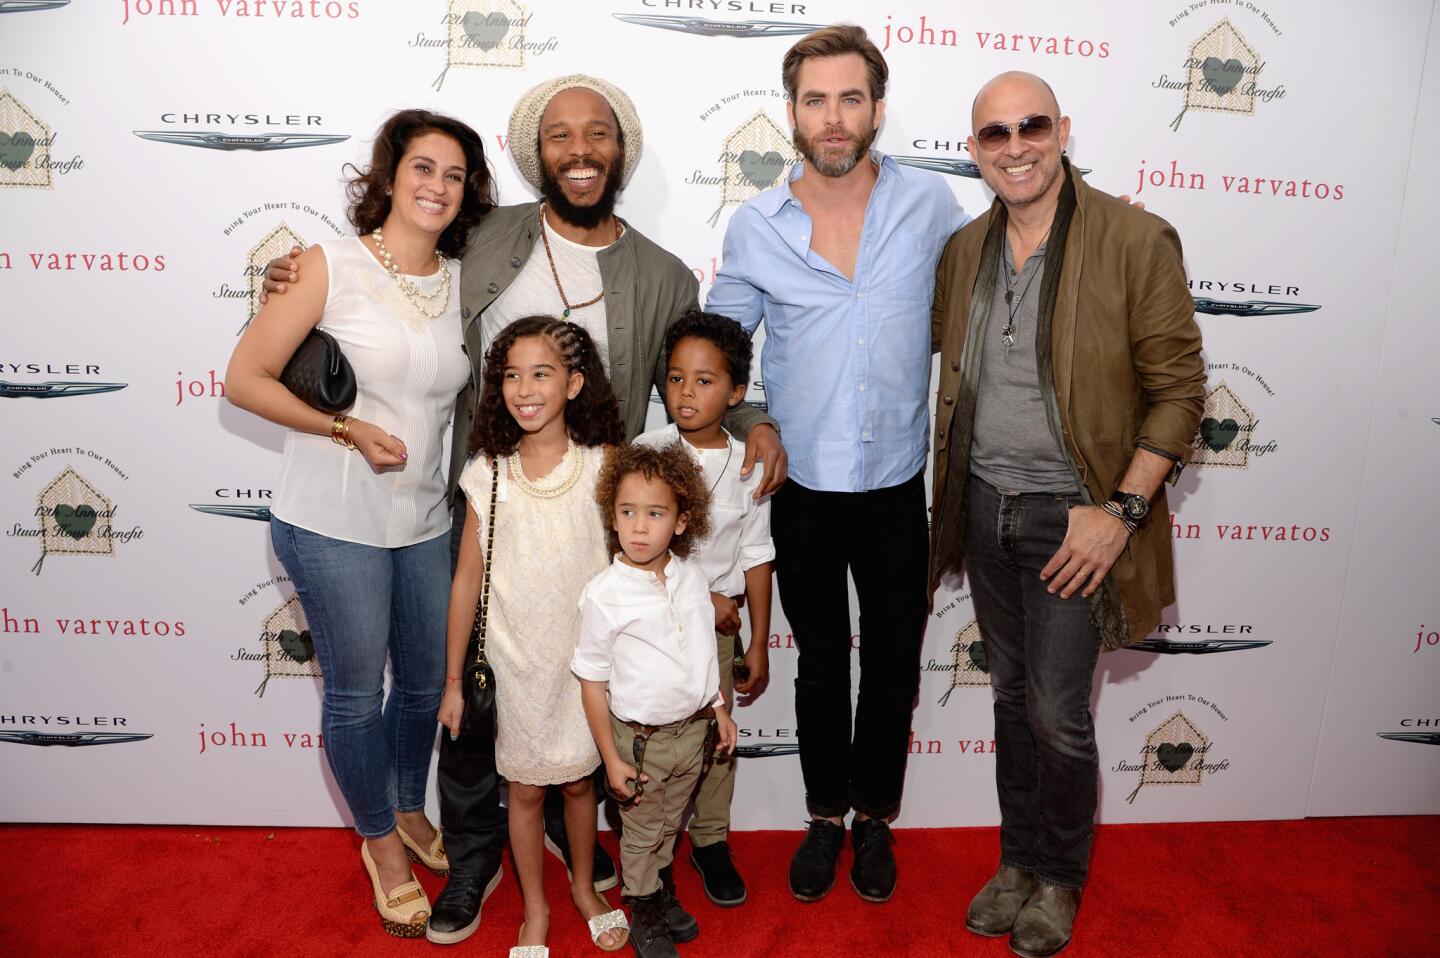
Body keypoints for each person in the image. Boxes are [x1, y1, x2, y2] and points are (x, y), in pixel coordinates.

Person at [262, 76, 787, 941]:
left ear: (623, 150)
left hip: (590, 517)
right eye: (558, 137)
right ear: (532, 153)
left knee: (582, 685)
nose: (579, 152)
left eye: (597, 136)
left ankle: (582, 839)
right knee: (473, 687)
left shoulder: (658, 272)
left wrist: (752, 416)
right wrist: (302, 272)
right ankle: (471, 860)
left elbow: (701, 374)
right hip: (476, 502)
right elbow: (395, 261)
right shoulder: (486, 231)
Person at [929, 71, 1205, 957]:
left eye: (1032, 126)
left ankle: (1059, 877)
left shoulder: (1135, 238)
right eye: (995, 133)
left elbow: (1180, 395)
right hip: (983, 509)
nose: (1015, 145)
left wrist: (1118, 511)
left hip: (1075, 522)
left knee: (1055, 710)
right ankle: (1016, 863)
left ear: (1064, 131)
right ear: (974, 150)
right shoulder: (966, 248)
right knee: (1011, 699)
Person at [706, 24, 968, 904]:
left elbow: (990, 298)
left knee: (894, 662)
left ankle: (876, 820)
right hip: (803, 488)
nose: (832, 116)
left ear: (877, 110)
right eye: (815, 99)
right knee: (820, 661)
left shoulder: (932, 208)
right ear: (792, 113)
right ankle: (823, 817)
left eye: (850, 97)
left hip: (898, 484)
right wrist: (752, 420)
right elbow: (719, 352)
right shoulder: (756, 225)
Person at [225, 110, 494, 938]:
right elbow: (244, 379)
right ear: (388, 176)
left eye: (454, 175)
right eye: (422, 168)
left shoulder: (464, 280)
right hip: (331, 518)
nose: (436, 187)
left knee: (420, 686)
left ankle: (409, 809)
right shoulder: (324, 264)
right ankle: (380, 845)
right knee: (353, 694)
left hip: (421, 521)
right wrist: (343, 428)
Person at [437, 317, 628, 955]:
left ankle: (582, 886)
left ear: (574, 383)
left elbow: (631, 561)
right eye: (511, 374)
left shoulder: (605, 467)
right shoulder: (488, 472)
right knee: (523, 791)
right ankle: (536, 911)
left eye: (541, 373)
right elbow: (466, 581)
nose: (525, 388)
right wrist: (454, 681)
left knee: (579, 784)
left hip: (583, 669)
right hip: (516, 666)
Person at [574, 443, 739, 958]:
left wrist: (718, 709)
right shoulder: (604, 594)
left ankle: (659, 888)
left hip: (693, 734)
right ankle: (642, 904)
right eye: (627, 513)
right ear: (612, 517)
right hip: (639, 743)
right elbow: (591, 681)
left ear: (682, 520)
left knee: (671, 822)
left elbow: (701, 655)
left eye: (655, 513)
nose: (639, 527)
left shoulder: (693, 580)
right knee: (642, 832)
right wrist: (611, 757)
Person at [634, 311, 773, 908]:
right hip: (650, 630)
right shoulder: (647, 452)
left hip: (720, 635)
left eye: (704, 380)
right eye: (675, 378)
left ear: (737, 392)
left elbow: (756, 554)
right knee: (655, 742)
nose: (685, 393)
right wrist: (702, 597)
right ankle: (652, 849)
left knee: (716, 742)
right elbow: (630, 547)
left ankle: (710, 840)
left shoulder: (749, 465)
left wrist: (760, 641)